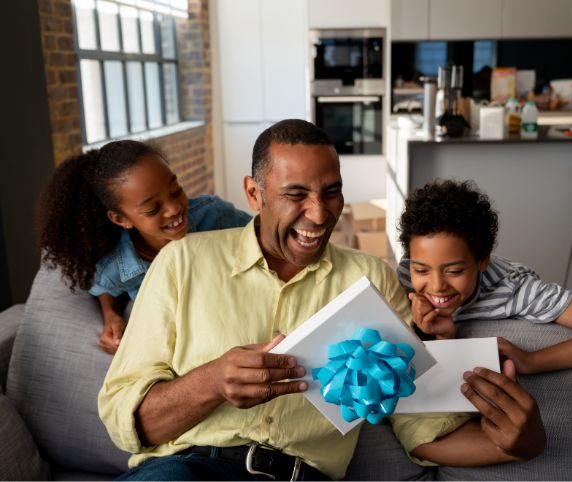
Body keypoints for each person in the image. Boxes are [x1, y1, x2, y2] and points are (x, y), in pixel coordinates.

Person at [98, 120, 545, 481]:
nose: (319, 213)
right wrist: (211, 382)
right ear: (254, 194)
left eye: (331, 192)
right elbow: (125, 421)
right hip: (187, 471)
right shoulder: (182, 262)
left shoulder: (371, 279)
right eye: (295, 195)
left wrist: (519, 445)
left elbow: (418, 427)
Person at [398, 179, 572, 374]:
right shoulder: (404, 277)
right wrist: (438, 335)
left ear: (482, 260)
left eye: (455, 271)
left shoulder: (514, 289)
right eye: (421, 270)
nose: (437, 286)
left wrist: (532, 361)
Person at [38, 140, 252, 354]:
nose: (174, 208)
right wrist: (111, 316)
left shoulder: (214, 215)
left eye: (176, 190)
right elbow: (105, 287)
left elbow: (261, 236)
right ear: (121, 219)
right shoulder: (119, 266)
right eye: (152, 208)